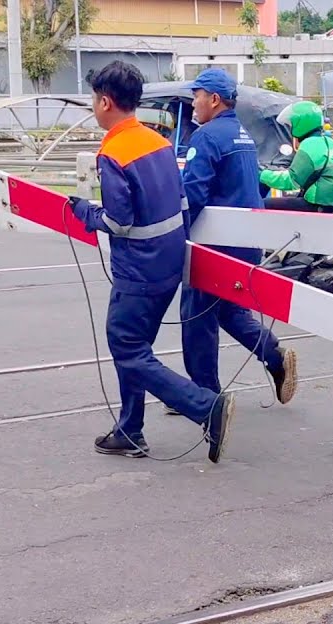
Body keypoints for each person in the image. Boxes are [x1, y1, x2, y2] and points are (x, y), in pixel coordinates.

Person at [67, 61, 235, 463]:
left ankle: (204, 407)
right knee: (136, 347)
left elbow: (116, 221)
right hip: (169, 264)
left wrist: (83, 213)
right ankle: (130, 429)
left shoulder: (113, 152)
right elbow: (178, 203)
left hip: (138, 271)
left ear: (105, 101)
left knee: (126, 347)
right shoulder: (156, 142)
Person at [171, 67, 299, 410]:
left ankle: (204, 397)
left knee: (196, 317)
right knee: (228, 310)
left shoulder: (207, 137)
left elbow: (192, 196)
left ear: (214, 99)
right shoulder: (241, 136)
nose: (193, 103)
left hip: (215, 247)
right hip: (246, 244)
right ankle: (273, 355)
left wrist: (173, 237)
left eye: (196, 96)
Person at [259, 100, 333, 213]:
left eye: (291, 125)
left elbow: (291, 181)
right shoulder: (329, 142)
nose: (290, 129)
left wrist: (262, 174)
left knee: (264, 204)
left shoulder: (309, 145)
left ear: (300, 124)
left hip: (321, 203)